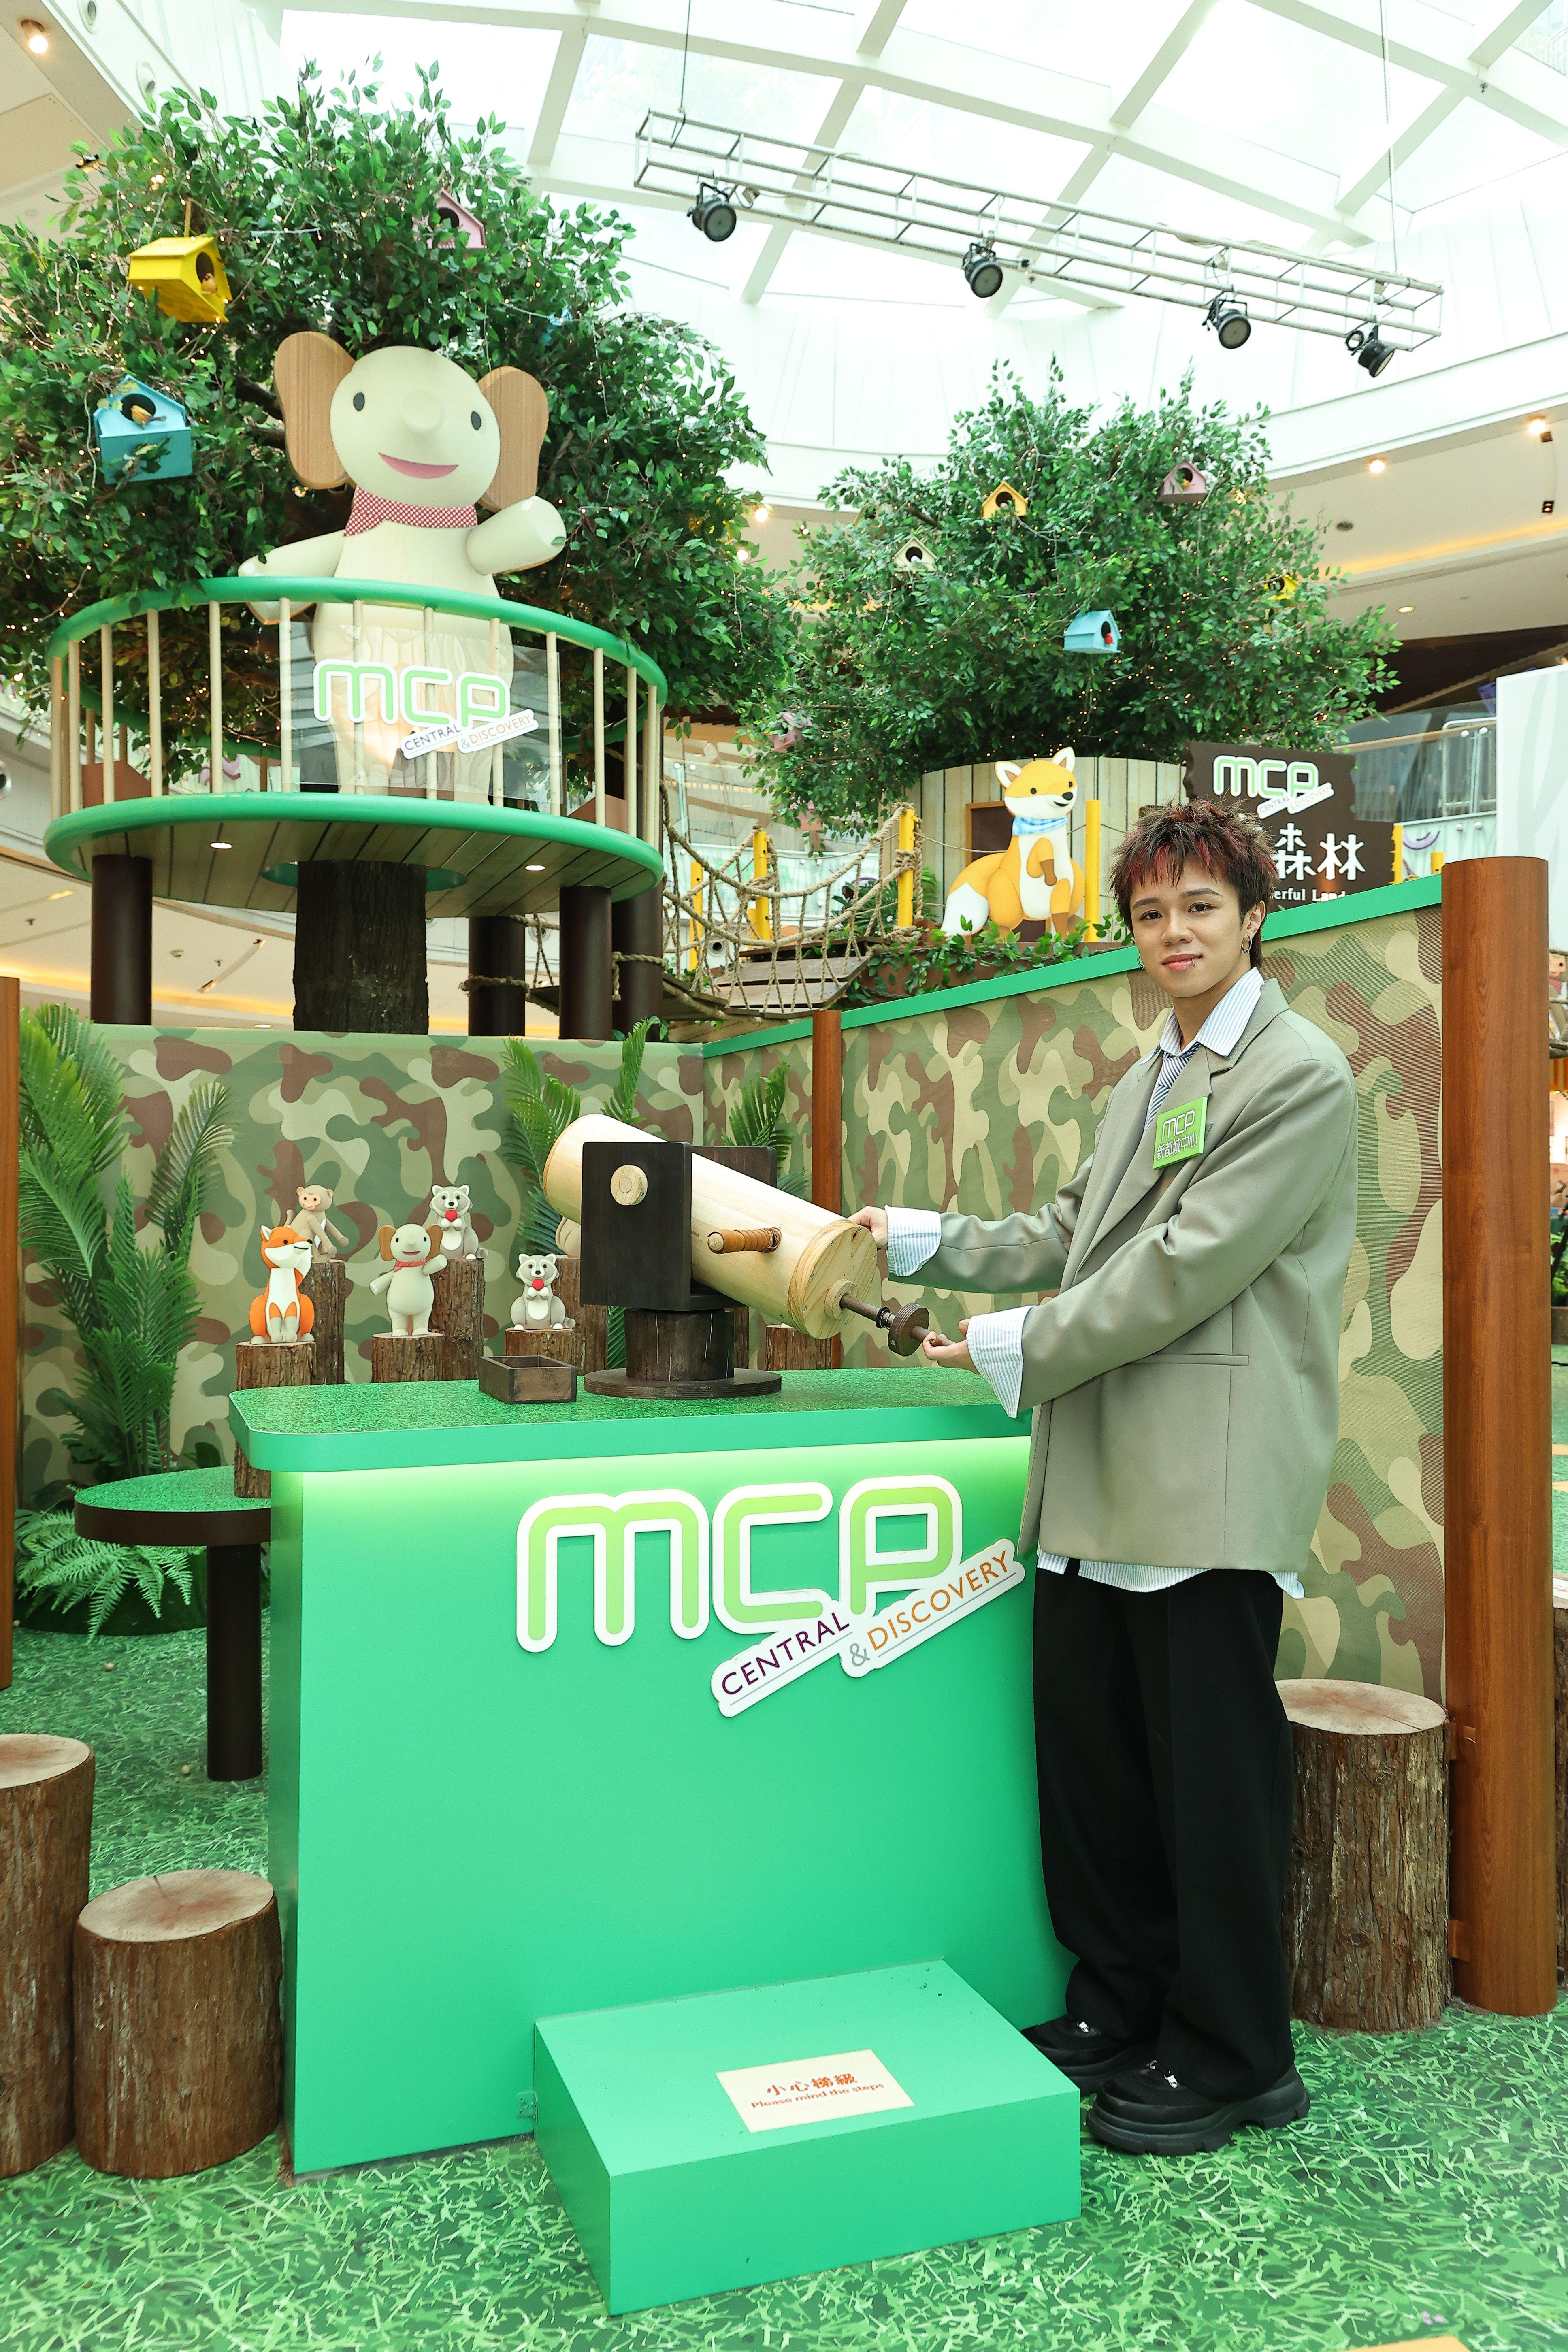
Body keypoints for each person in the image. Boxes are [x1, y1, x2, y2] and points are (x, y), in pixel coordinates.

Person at [851, 800, 1357, 2158]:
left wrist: (1011, 1346)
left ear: (1256, 916)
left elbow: (1186, 1267)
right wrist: (917, 1239)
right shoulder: (1156, 1072)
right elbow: (1077, 1230)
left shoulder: (1297, 1074)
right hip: (1099, 1478)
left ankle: (1238, 2056)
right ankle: (1122, 2005)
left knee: (1208, 1789)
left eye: (1200, 907)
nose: (1173, 933)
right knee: (1100, 1773)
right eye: (1150, 913)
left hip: (1204, 1482)